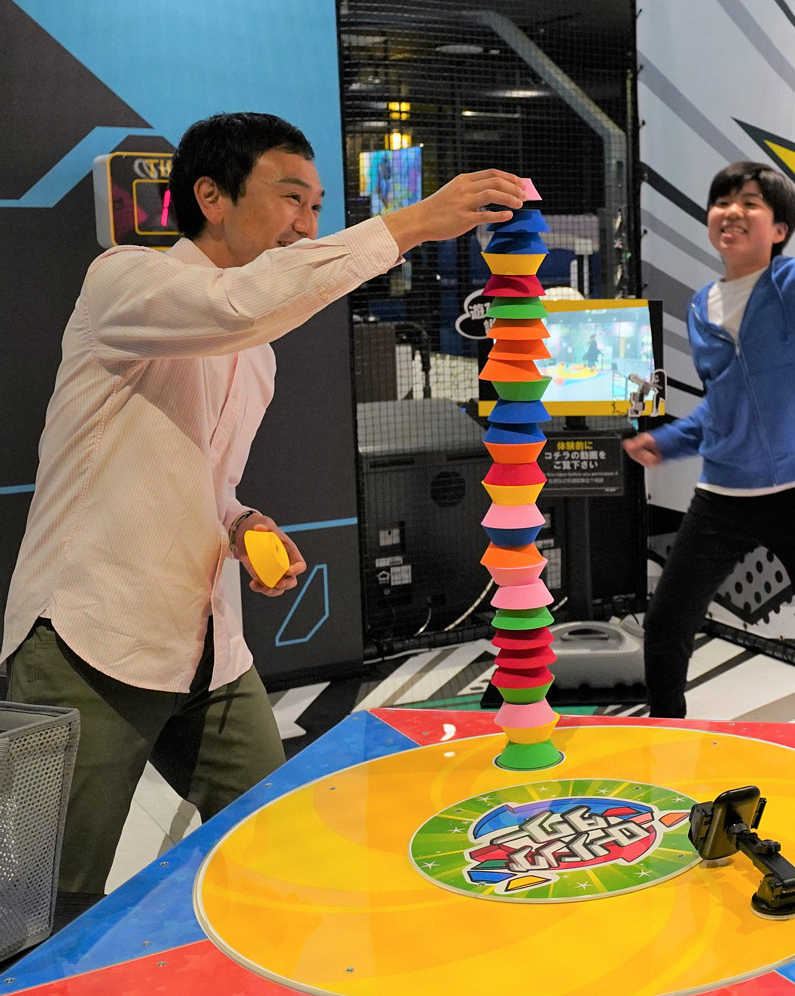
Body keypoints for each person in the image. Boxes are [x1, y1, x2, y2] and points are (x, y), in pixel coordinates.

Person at [3, 111, 523, 904]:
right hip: (88, 636)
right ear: (212, 196)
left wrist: (241, 523)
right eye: (290, 199)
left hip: (208, 643)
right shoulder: (123, 281)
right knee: (46, 900)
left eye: (316, 207)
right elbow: (234, 305)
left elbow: (208, 481)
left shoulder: (257, 356)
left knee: (278, 846)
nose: (305, 225)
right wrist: (413, 223)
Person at [623, 135, 795, 725]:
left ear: (778, 230)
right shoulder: (702, 307)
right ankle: (664, 738)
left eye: (749, 202)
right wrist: (668, 441)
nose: (731, 211)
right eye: (722, 201)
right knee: (667, 623)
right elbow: (722, 406)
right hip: (724, 495)